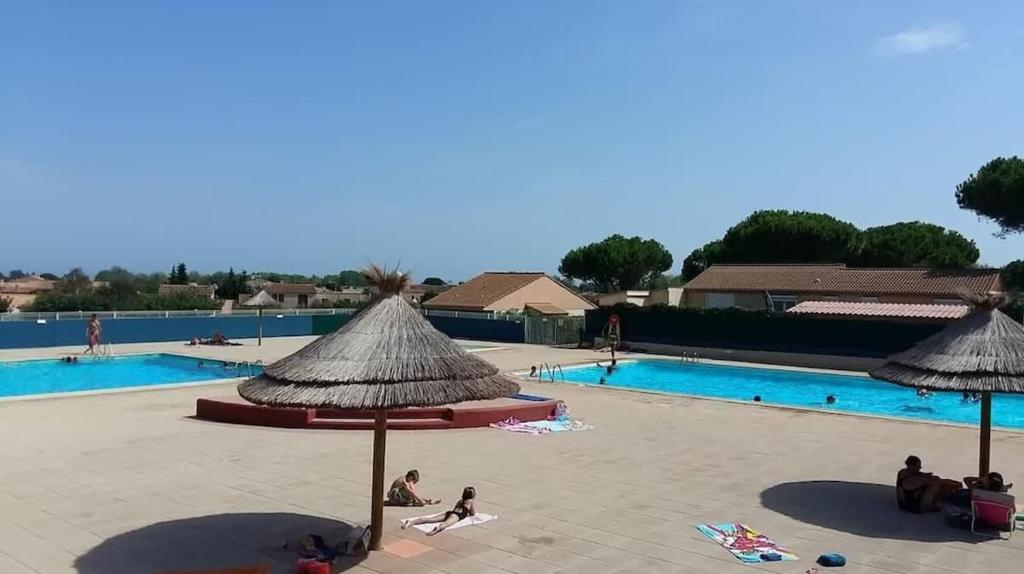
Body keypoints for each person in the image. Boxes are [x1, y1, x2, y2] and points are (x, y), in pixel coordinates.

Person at [896, 455, 961, 512]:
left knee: (939, 482)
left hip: (908, 504)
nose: (920, 468)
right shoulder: (909, 481)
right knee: (935, 483)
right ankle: (929, 505)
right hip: (916, 507)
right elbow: (933, 480)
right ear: (911, 466)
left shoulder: (904, 473)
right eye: (918, 466)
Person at [401, 486, 476, 535]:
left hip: (450, 513)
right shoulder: (470, 501)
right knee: (446, 524)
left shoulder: (460, 501)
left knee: (430, 519)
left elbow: (455, 509)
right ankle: (437, 529)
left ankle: (411, 522)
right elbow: (473, 513)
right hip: (457, 516)